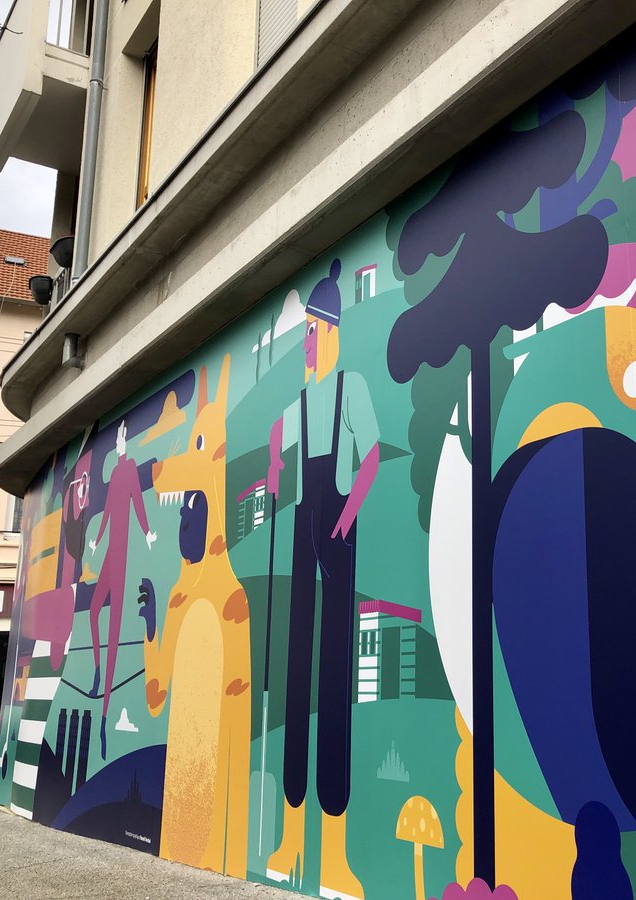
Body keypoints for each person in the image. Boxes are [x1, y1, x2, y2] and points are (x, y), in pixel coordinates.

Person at [264, 259, 380, 893]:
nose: (306, 341)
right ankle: (289, 832)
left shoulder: (351, 386)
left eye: (312, 330)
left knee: (334, 672)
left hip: (338, 528)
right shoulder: (302, 399)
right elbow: (277, 436)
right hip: (303, 526)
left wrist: (350, 514)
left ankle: (334, 846)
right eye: (304, 330)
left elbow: (374, 455)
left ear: (330, 329)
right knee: (297, 673)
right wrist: (274, 469)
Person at [87, 419, 156, 757]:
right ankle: (98, 672)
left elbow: (137, 504)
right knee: (93, 612)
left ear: (127, 441)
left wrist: (147, 532)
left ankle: (104, 718)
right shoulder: (115, 471)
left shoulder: (128, 470)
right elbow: (107, 513)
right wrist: (97, 541)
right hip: (109, 553)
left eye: (120, 438)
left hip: (123, 554)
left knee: (114, 633)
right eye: (116, 439)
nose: (117, 442)